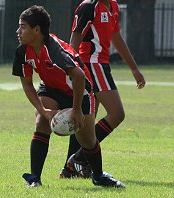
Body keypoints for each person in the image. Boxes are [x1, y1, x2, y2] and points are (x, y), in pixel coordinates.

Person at [12, 5, 125, 188]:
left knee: (87, 140)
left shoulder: (55, 51)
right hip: (51, 88)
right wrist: (44, 111)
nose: (18, 31)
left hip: (78, 90)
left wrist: (77, 109)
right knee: (41, 121)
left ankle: (98, 176)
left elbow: (79, 76)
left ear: (37, 30)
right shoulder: (22, 51)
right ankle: (34, 179)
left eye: (22, 27)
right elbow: (27, 84)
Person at [60, 0, 146, 178]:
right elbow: (74, 41)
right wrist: (71, 69)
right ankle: (79, 158)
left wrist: (134, 68)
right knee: (117, 114)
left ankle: (69, 169)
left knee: (85, 121)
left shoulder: (113, 6)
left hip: (101, 65)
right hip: (91, 65)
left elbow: (117, 38)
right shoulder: (89, 6)